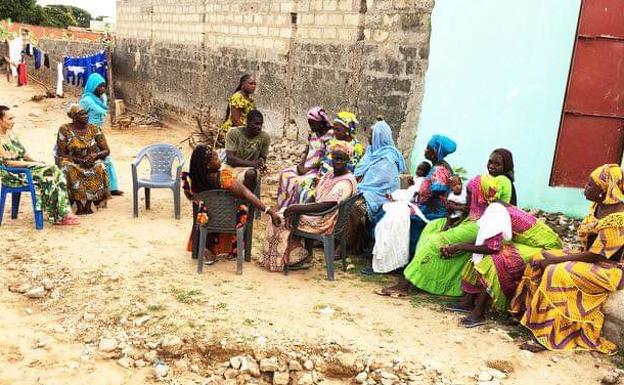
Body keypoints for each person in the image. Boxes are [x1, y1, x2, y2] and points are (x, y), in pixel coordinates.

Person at [510, 164, 624, 354]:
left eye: (590, 185)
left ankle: (548, 336)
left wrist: (557, 260)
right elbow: (587, 250)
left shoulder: (619, 219)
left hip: (608, 268)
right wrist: (554, 258)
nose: (585, 188)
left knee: (557, 272)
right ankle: (530, 318)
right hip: (589, 258)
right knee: (539, 257)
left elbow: (597, 255)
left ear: (605, 190)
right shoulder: (599, 205)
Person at [379, 149, 515, 298]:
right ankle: (419, 276)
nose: (492, 166)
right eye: (490, 162)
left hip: (483, 226)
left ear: (506, 166)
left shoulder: (502, 182)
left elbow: (488, 208)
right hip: (470, 219)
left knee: (435, 241)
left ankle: (405, 284)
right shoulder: (487, 179)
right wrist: (456, 214)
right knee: (432, 227)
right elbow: (472, 206)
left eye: (497, 164)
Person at [443, 200, 562, 328]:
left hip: (545, 246)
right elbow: (485, 239)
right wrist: (460, 247)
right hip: (529, 242)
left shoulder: (496, 212)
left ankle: (479, 313)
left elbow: (493, 248)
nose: (468, 198)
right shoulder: (493, 208)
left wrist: (460, 246)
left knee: (494, 261)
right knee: (479, 253)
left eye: (471, 194)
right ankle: (468, 301)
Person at [260, 143, 357, 272]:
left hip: (325, 221)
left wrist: (296, 209)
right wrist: (299, 207)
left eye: (341, 159)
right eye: (335, 158)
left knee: (280, 220)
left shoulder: (346, 182)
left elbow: (327, 205)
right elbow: (315, 195)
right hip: (318, 215)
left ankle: (296, 258)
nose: (337, 162)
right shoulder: (330, 174)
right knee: (280, 215)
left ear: (347, 161)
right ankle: (298, 255)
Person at [183, 145, 281, 263]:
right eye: (216, 159)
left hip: (206, 220)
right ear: (208, 165)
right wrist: (269, 211)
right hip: (229, 220)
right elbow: (246, 194)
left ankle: (205, 246)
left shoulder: (191, 182)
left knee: (205, 210)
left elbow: (192, 199)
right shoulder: (224, 178)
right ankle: (233, 249)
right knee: (242, 208)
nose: (220, 160)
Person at [0, 105, 78, 225]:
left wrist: (36, 162)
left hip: (25, 167)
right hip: (13, 173)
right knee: (51, 173)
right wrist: (32, 164)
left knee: (55, 170)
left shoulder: (11, 135)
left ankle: (60, 213)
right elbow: (8, 162)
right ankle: (59, 214)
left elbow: (24, 153)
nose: (13, 121)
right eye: (10, 119)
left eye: (13, 118)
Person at [345, 120, 406, 255]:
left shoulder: (388, 158)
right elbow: (361, 173)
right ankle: (334, 237)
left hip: (380, 197)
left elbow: (383, 185)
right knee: (338, 196)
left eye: (371, 134)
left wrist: (359, 188)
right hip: (364, 190)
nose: (368, 137)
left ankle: (346, 245)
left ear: (379, 137)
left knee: (355, 206)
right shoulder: (371, 152)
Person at [57, 104, 112, 215]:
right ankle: (79, 205)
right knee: (69, 168)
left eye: (86, 113)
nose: (86, 116)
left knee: (100, 167)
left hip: (91, 160)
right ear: (74, 117)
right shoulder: (64, 129)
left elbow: (106, 150)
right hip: (72, 160)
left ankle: (88, 205)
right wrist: (80, 160)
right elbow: (62, 154)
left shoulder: (94, 129)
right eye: (82, 114)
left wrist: (95, 155)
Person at [276, 107, 333, 209]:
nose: (310, 125)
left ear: (320, 123)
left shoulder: (330, 136)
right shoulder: (314, 133)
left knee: (299, 183)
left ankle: (297, 212)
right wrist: (301, 165)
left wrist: (307, 169)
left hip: (316, 170)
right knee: (284, 175)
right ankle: (284, 208)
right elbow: (307, 149)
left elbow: (325, 159)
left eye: (312, 123)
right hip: (305, 166)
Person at [79, 73, 123, 196]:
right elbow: (77, 117)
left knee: (106, 158)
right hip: (87, 134)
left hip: (98, 133)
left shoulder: (102, 99)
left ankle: (112, 188)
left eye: (104, 86)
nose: (102, 89)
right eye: (99, 87)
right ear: (93, 87)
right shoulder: (86, 101)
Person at [224, 109, 270, 191]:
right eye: (256, 124)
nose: (259, 127)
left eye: (261, 124)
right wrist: (253, 163)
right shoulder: (233, 133)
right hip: (231, 167)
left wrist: (261, 162)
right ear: (248, 122)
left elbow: (262, 159)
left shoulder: (264, 137)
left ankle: (246, 202)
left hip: (248, 169)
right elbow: (230, 159)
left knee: (251, 174)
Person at [221, 74, 257, 142]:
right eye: (251, 83)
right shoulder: (237, 97)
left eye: (255, 84)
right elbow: (236, 120)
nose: (253, 86)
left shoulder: (251, 101)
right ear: (243, 84)